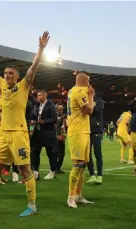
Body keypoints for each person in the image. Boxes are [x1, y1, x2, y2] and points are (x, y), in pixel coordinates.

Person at [0, 31, 50, 217]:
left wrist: (41, 48)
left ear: (17, 76)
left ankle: (32, 205)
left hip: (18, 134)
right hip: (3, 135)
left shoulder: (24, 85)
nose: (7, 75)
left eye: (10, 73)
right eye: (6, 73)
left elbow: (33, 67)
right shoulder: (1, 84)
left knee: (25, 169)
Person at [66, 71, 95, 208]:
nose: (89, 83)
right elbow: (89, 110)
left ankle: (78, 195)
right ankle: (71, 197)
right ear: (84, 81)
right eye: (88, 80)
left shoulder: (73, 91)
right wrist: (91, 95)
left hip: (83, 130)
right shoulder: (78, 92)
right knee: (78, 164)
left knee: (83, 164)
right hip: (77, 131)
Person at [31, 89, 58, 180]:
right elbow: (34, 116)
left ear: (45, 96)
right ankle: (35, 172)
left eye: (40, 95)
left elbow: (54, 119)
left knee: (50, 154)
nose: (38, 97)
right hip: (37, 133)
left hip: (48, 133)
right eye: (37, 95)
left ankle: (52, 171)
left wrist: (44, 122)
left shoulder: (51, 105)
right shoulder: (36, 105)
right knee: (35, 153)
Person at [86, 94, 105, 184]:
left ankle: (100, 176)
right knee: (87, 155)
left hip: (96, 130)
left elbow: (97, 110)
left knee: (97, 153)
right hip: (85, 130)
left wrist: (90, 105)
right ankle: (92, 175)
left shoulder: (99, 100)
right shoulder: (83, 99)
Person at [55, 104, 67, 173]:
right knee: (56, 154)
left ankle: (58, 168)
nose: (61, 111)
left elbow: (64, 127)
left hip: (62, 137)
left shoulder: (63, 117)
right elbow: (55, 125)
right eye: (59, 109)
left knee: (62, 154)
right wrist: (56, 136)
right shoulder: (54, 116)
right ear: (56, 109)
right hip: (56, 137)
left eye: (62, 109)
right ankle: (54, 168)